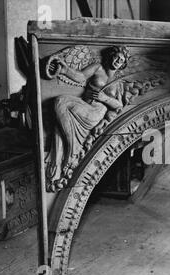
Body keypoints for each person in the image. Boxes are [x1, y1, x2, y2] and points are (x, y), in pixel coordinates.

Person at [45, 46, 130, 191]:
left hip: (96, 112)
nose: (118, 61)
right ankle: (72, 151)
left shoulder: (119, 81)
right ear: (111, 56)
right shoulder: (98, 68)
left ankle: (71, 152)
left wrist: (105, 98)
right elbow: (80, 76)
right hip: (83, 105)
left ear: (123, 64)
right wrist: (64, 70)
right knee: (59, 103)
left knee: (61, 105)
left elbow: (119, 106)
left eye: (121, 60)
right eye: (117, 57)